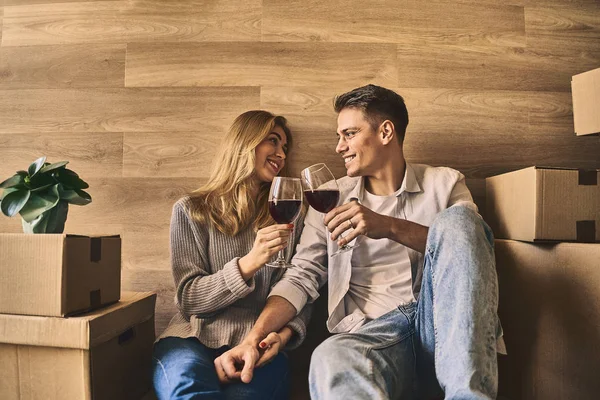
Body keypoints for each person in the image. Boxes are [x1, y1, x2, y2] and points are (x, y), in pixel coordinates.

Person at [215, 85, 505, 399]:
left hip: (441, 329)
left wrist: (389, 226)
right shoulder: (328, 197)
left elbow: (476, 252)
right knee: (331, 356)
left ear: (386, 132)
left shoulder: (445, 183)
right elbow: (301, 276)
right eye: (339, 136)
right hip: (374, 337)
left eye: (349, 134)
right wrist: (252, 339)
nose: (339, 147)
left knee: (460, 221)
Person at [152, 110, 310, 400]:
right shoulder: (190, 210)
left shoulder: (292, 215)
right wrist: (249, 264)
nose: (281, 154)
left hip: (259, 344)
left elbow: (303, 291)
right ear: (244, 143)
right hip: (192, 337)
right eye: (273, 142)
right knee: (188, 390)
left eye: (285, 148)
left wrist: (286, 335)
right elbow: (189, 299)